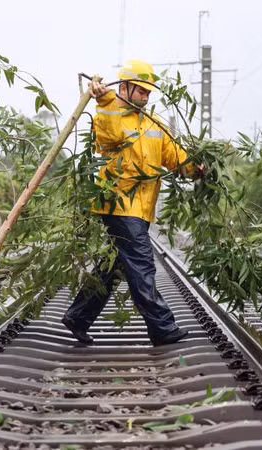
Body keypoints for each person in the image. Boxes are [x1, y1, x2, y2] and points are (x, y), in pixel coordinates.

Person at [61, 60, 204, 347]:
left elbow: (173, 156)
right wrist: (103, 99)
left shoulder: (153, 123)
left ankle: (78, 316)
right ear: (123, 87)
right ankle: (162, 328)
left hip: (141, 207)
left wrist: (195, 168)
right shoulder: (110, 113)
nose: (144, 96)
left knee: (113, 266)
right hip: (119, 206)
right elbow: (107, 139)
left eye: (148, 93)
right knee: (141, 265)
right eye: (139, 90)